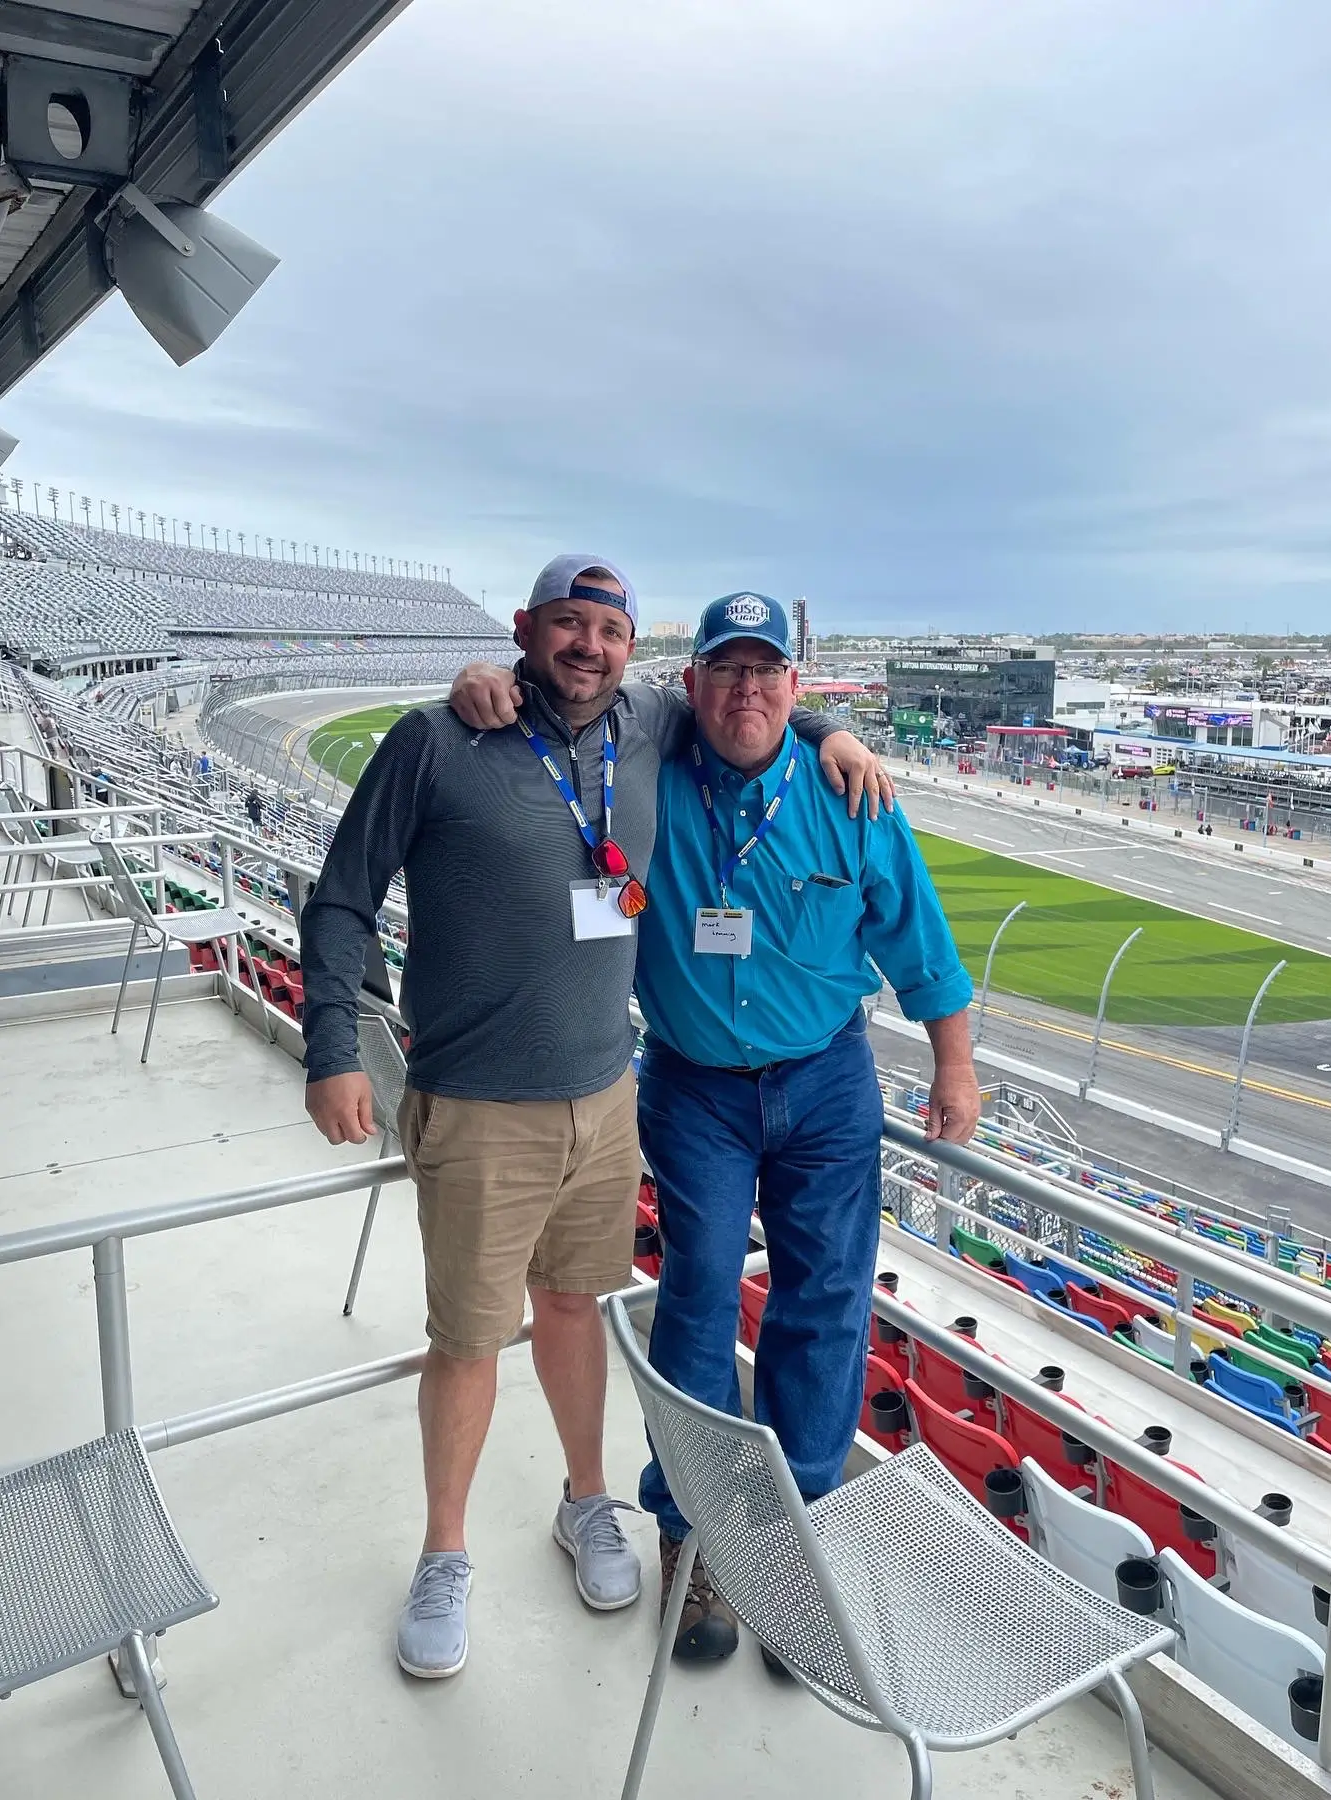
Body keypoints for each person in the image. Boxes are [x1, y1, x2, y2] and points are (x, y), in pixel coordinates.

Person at [303, 555, 887, 1682]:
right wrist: (334, 1045)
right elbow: (342, 894)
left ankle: (588, 1502)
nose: (587, 646)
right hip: (479, 1103)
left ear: (632, 648)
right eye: (565, 625)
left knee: (577, 1310)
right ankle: (444, 1553)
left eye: (607, 630)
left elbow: (750, 692)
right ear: (525, 630)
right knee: (469, 1344)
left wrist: (828, 734)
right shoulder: (439, 737)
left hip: (609, 1093)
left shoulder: (652, 721)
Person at [451, 592, 978, 1668]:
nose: (747, 690)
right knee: (693, 1300)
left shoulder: (851, 794)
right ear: (690, 686)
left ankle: (797, 1541)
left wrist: (956, 1064)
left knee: (825, 1303)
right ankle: (695, 1542)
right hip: (693, 1087)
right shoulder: (643, 780)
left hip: (827, 1080)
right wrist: (472, 686)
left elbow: (918, 940)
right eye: (725, 670)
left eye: (768, 673)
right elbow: (564, 707)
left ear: (797, 688)